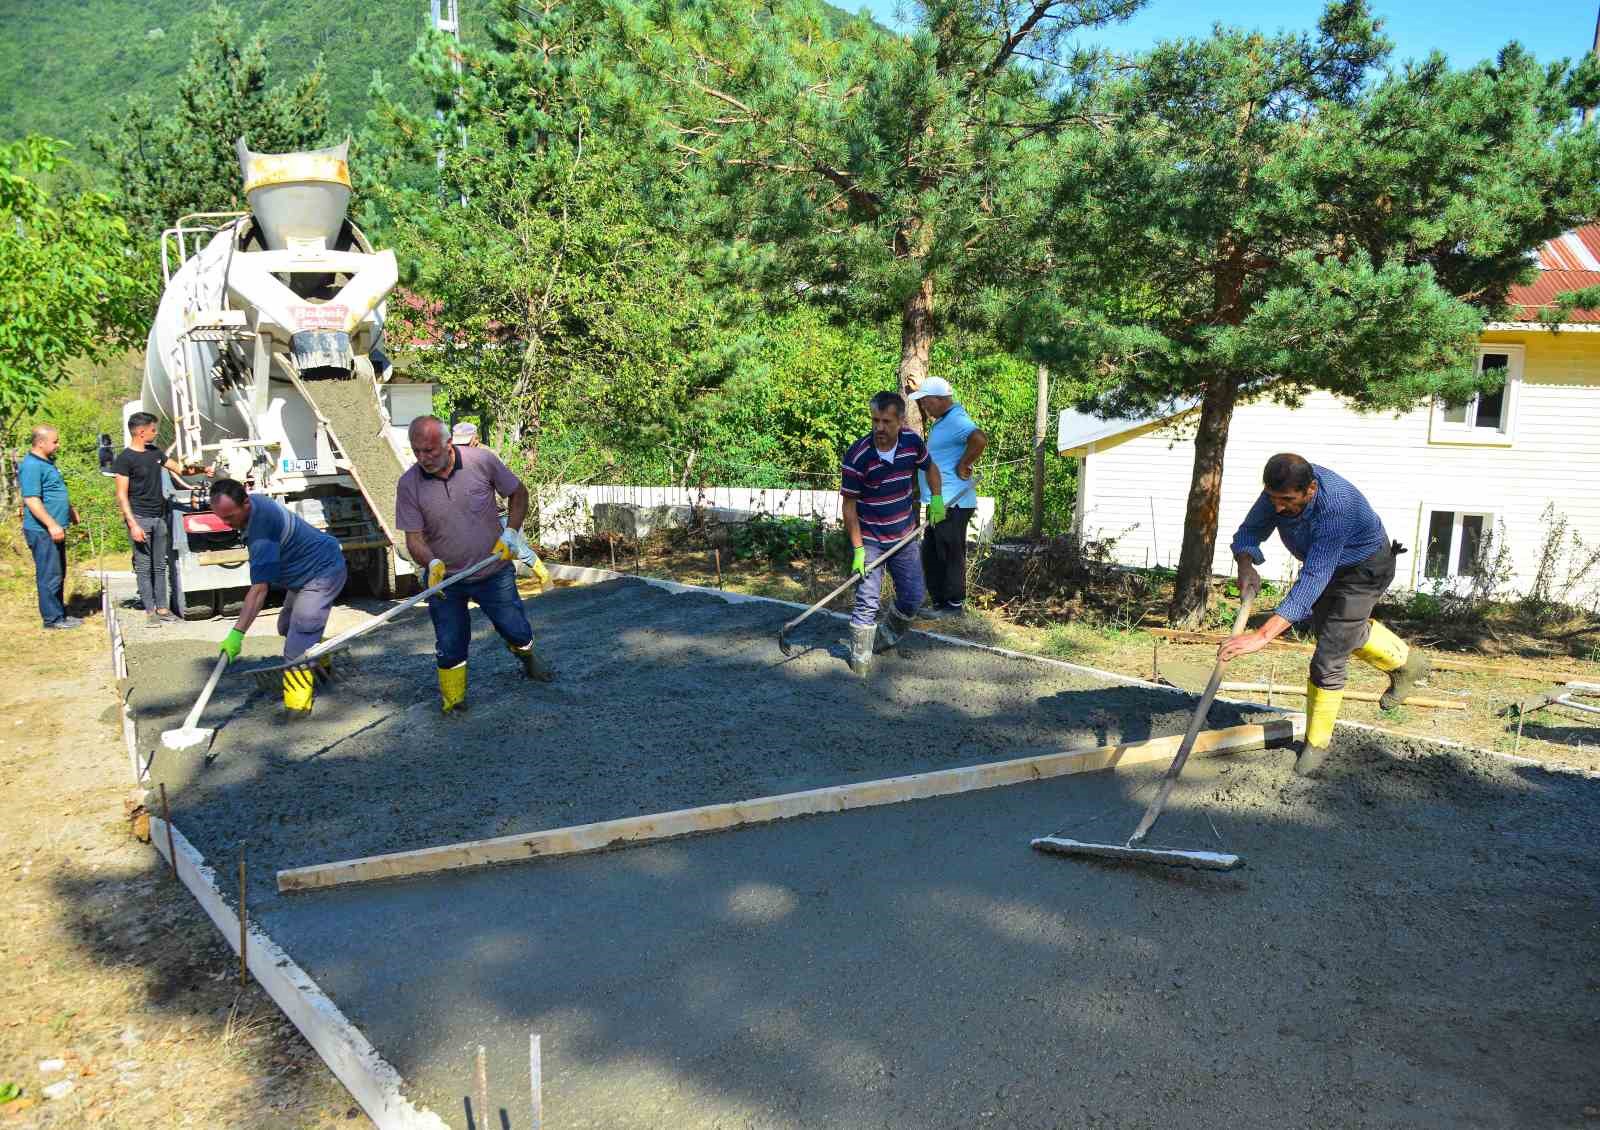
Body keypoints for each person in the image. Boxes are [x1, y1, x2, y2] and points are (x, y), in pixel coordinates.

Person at [1218, 453, 1430, 776]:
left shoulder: (1336, 508)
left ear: (1311, 489)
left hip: (1365, 569)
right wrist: (1245, 565)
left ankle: (1316, 744)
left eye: (1287, 501)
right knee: (1339, 633)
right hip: (1330, 568)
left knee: (1329, 656)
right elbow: (1251, 530)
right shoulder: (1278, 491)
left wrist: (1262, 636)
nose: (1278, 507)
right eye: (1273, 499)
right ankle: (1406, 663)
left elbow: (1314, 577)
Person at [395, 416, 554, 714]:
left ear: (448, 444)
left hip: (493, 571)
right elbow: (413, 538)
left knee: (515, 628)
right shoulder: (409, 485)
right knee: (450, 641)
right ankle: (453, 701)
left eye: (429, 450)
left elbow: (518, 493)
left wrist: (511, 533)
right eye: (416, 451)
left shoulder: (482, 461)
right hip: (446, 582)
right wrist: (432, 562)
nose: (423, 458)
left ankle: (528, 658)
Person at [209, 478, 349, 719]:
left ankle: (297, 708)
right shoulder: (251, 507)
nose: (227, 523)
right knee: (286, 626)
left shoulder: (261, 528)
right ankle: (321, 659)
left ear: (246, 503)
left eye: (230, 517)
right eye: (221, 517)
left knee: (299, 638)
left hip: (323, 571)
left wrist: (237, 634)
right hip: (300, 577)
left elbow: (259, 591)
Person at [840, 391, 943, 675]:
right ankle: (859, 661)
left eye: (886, 421)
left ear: (900, 421)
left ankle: (884, 639)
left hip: (904, 536)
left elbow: (930, 468)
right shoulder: (858, 455)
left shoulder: (912, 442)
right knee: (867, 600)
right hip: (871, 539)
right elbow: (848, 507)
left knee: (912, 597)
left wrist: (936, 497)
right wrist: (859, 549)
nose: (879, 428)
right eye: (875, 420)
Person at [909, 376, 987, 618]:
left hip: (954, 501)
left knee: (949, 551)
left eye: (926, 402)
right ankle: (940, 603)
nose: (924, 407)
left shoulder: (956, 419)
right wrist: (919, 389)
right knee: (931, 552)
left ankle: (953, 606)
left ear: (940, 400)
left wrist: (965, 463)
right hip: (939, 499)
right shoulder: (944, 419)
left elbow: (979, 439)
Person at [113, 412, 200, 625]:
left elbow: (179, 469)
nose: (156, 432)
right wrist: (132, 524)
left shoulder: (155, 453)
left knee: (160, 565)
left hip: (158, 517)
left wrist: (201, 469)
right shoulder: (125, 459)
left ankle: (163, 609)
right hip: (139, 518)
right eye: (153, 429)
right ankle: (150, 611)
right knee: (144, 567)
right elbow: (121, 495)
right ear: (141, 432)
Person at [18, 425, 82, 630]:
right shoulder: (31, 466)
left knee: (58, 572)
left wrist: (70, 511)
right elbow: (31, 499)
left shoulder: (47, 462)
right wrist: (52, 524)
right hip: (42, 531)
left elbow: (55, 490)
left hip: (55, 528)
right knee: (49, 574)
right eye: (55, 441)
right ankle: (52, 619)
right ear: (40, 443)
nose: (58, 445)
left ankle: (59, 613)